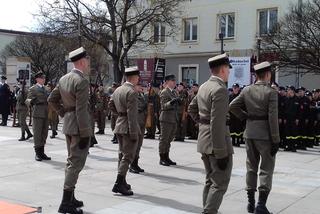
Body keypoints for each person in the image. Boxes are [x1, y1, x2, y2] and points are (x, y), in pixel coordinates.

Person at [229, 61, 280, 214]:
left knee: (251, 167)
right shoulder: (271, 92)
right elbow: (272, 117)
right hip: (265, 135)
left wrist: (245, 117)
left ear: (256, 75)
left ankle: (250, 203)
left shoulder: (246, 90)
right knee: (266, 169)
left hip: (250, 133)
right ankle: (261, 205)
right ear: (268, 74)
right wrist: (276, 139)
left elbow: (232, 106)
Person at [188, 53, 234, 214]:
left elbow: (191, 109)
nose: (229, 72)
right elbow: (218, 123)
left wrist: (202, 125)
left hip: (204, 140)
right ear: (222, 69)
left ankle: (207, 209)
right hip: (217, 144)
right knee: (220, 183)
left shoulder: (204, 86)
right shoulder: (220, 89)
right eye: (228, 69)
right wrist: (221, 152)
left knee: (210, 180)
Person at [48, 47, 92, 214]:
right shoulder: (81, 81)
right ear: (82, 62)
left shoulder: (64, 78)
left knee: (72, 161)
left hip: (68, 124)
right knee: (75, 164)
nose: (88, 63)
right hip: (78, 127)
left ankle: (71, 197)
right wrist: (86, 133)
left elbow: (51, 99)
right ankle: (65, 203)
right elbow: (81, 110)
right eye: (87, 60)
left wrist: (63, 113)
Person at [109, 66, 140, 196]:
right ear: (134, 78)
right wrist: (134, 132)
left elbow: (110, 104)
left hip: (119, 124)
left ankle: (122, 181)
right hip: (128, 127)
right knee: (128, 156)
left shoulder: (118, 90)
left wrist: (119, 114)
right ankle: (118, 183)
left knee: (122, 155)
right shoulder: (132, 92)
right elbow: (132, 114)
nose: (138, 79)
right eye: (138, 77)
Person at [26, 72, 51, 161]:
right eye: (41, 78)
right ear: (37, 79)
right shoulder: (33, 89)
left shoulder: (46, 88)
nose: (43, 79)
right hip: (37, 113)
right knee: (37, 133)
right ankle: (37, 153)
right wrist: (33, 101)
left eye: (44, 78)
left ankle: (42, 152)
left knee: (44, 133)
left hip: (46, 112)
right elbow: (27, 100)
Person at [158, 74, 182, 166]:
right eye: (172, 81)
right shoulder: (164, 92)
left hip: (173, 118)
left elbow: (178, 105)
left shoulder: (175, 92)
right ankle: (162, 158)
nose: (174, 82)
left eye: (174, 80)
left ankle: (167, 157)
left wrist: (179, 102)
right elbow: (163, 106)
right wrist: (171, 102)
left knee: (169, 139)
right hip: (166, 118)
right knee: (164, 139)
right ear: (167, 82)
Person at [129, 82, 147, 174]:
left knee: (139, 144)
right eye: (139, 86)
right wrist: (144, 106)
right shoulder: (133, 95)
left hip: (142, 122)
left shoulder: (142, 95)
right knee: (135, 145)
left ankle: (136, 163)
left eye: (142, 86)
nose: (141, 87)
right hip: (136, 122)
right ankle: (132, 164)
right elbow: (138, 107)